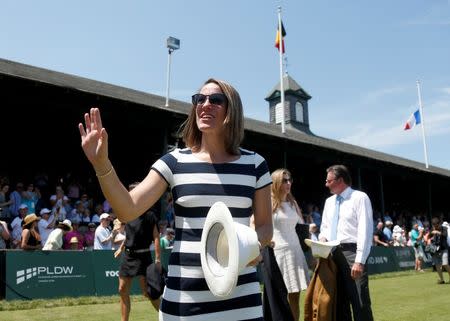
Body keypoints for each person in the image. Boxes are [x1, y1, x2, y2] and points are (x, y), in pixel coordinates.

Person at [78, 78, 273, 320]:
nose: (205, 104)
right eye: (199, 99)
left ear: (232, 109)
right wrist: (101, 164)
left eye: (215, 99)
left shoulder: (255, 164)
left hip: (242, 299)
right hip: (184, 300)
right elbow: (128, 209)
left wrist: (254, 245)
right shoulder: (174, 161)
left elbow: (265, 227)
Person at [319, 164, 374, 321]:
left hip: (352, 253)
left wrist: (359, 261)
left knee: (360, 301)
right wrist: (322, 239)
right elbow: (325, 228)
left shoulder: (360, 198)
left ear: (340, 180)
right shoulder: (329, 202)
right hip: (332, 254)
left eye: (329, 181)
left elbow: (365, 230)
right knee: (339, 303)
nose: (326, 184)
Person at [112, 182, 162, 321]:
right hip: (128, 256)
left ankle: (168, 316)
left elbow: (156, 237)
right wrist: (121, 248)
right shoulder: (126, 213)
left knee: (148, 292)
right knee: (122, 289)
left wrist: (158, 259)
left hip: (144, 257)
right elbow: (129, 235)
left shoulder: (150, 215)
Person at [270, 168, 309, 321]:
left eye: (290, 180)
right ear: (276, 183)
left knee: (295, 295)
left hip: (295, 251)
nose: (288, 183)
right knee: (279, 295)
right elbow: (255, 224)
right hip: (277, 252)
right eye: (284, 180)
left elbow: (303, 227)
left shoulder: (293, 203)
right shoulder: (269, 202)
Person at [426, 217, 450, 284]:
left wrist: (437, 232)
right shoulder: (433, 228)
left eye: (436, 225)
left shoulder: (444, 228)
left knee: (445, 264)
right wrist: (430, 235)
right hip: (435, 249)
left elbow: (445, 235)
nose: (435, 227)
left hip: (443, 248)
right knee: (437, 265)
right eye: (434, 225)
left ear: (439, 224)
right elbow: (428, 237)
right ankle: (441, 280)